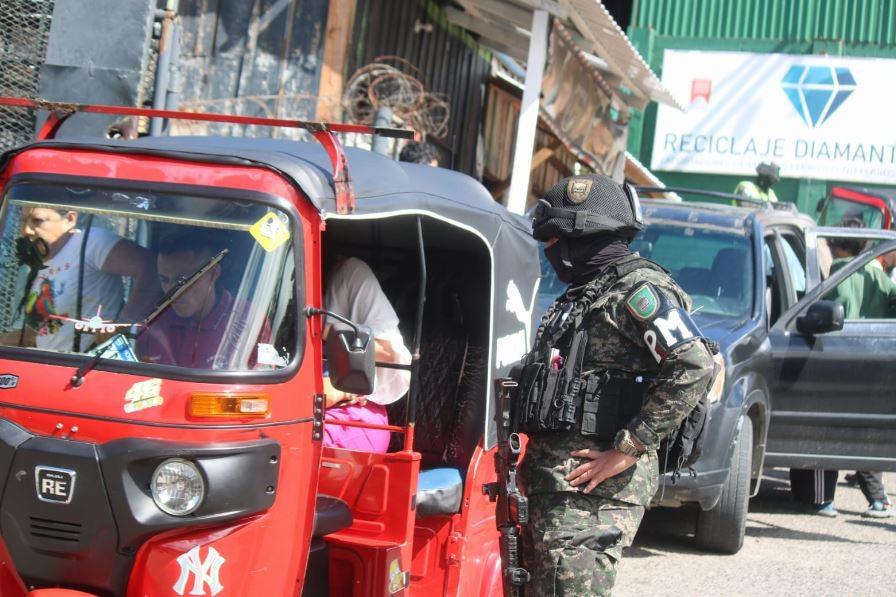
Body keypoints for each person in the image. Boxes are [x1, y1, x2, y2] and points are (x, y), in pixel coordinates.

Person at [517, 174, 715, 594]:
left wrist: (627, 449)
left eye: (554, 240)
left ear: (581, 237)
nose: (549, 251)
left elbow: (694, 365)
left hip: (593, 491)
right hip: (556, 485)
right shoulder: (586, 292)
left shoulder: (639, 288)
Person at [10, 206, 156, 352]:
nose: (26, 230)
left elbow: (151, 269)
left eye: (37, 220)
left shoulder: (91, 242)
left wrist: (124, 324)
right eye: (23, 221)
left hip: (91, 365)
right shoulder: (41, 264)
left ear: (70, 219)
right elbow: (43, 332)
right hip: (52, 365)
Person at [137, 228, 269, 369]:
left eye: (182, 281)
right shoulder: (153, 322)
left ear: (213, 274)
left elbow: (266, 383)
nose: (171, 292)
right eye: (164, 279)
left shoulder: (249, 320)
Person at [322, 256, 412, 452]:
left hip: (355, 416)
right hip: (308, 413)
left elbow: (391, 352)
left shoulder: (350, 272)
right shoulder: (268, 284)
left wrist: (328, 332)